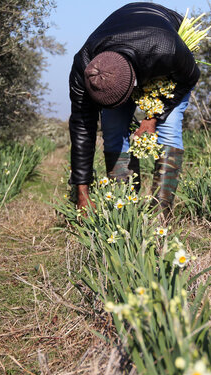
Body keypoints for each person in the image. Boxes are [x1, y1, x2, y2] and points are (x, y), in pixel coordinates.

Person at [68, 2, 199, 215]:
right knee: (113, 129)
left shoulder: (168, 49)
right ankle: (125, 207)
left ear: (133, 84)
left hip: (162, 51)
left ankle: (161, 215)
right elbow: (82, 128)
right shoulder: (84, 67)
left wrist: (154, 117)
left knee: (169, 129)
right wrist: (81, 192)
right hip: (126, 47)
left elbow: (190, 77)